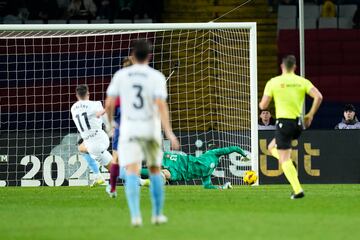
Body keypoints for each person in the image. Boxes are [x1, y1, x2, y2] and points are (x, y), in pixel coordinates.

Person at [105, 40, 180, 226]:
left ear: (132, 55)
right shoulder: (156, 77)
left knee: (131, 170)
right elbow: (162, 105)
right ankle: (156, 214)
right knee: (155, 170)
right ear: (149, 56)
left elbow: (109, 103)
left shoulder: (121, 75)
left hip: (129, 129)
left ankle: (136, 216)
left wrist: (110, 124)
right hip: (149, 129)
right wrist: (169, 131)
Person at [259, 55, 323, 199]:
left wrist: (264, 103)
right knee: (271, 147)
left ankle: (298, 189)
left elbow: (263, 105)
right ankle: (288, 162)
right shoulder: (302, 81)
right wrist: (310, 115)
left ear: (282, 67)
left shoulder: (274, 82)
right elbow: (318, 96)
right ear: (294, 67)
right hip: (298, 124)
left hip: (284, 124)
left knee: (283, 158)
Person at [142, 145, 250, 190]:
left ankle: (139, 178)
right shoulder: (213, 153)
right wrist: (244, 155)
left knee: (164, 175)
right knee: (158, 155)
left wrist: (222, 187)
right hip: (183, 162)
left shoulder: (209, 170)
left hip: (182, 174)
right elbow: (233, 148)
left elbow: (207, 186)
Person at [71, 84, 113, 187]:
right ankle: (98, 176)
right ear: (88, 94)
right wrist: (110, 128)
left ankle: (139, 180)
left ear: (77, 95)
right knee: (81, 148)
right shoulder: (96, 104)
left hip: (94, 140)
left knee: (114, 168)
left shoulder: (73, 108)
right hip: (98, 137)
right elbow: (104, 117)